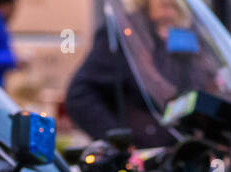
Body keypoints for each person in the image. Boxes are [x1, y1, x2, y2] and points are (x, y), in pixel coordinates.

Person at [63, 0, 197, 146]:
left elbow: (197, 88)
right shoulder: (125, 33)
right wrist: (119, 140)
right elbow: (80, 94)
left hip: (183, 151)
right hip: (143, 157)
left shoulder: (189, 36)